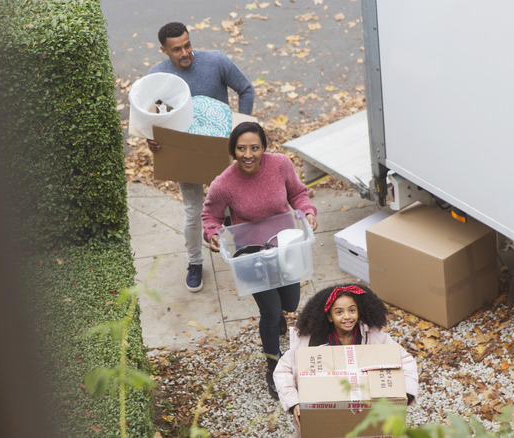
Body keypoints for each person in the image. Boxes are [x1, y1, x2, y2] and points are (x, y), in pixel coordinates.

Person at [202, 121, 318, 399]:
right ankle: (273, 366)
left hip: (285, 247)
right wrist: (212, 234)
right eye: (241, 148)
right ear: (233, 150)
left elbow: (298, 193)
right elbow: (210, 216)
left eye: (255, 147)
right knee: (269, 312)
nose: (248, 154)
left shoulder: (280, 165)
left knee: (289, 304)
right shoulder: (224, 184)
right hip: (251, 256)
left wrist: (307, 210)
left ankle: (279, 313)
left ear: (264, 147)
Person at [147, 22, 255, 292]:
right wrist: (153, 139)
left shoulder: (216, 61)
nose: (185, 53)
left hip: (220, 149)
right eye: (176, 49)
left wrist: (240, 130)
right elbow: (151, 115)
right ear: (163, 50)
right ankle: (195, 262)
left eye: (187, 45)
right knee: (193, 212)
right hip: (185, 155)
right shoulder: (158, 75)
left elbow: (247, 89)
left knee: (234, 206)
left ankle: (243, 253)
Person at [273, 284, 419, 434]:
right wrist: (293, 402)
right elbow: (283, 370)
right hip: (323, 418)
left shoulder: (375, 337)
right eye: (339, 312)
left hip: (367, 418)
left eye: (352, 310)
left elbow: (406, 360)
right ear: (329, 316)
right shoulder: (308, 342)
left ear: (359, 312)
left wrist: (405, 393)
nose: (347, 316)